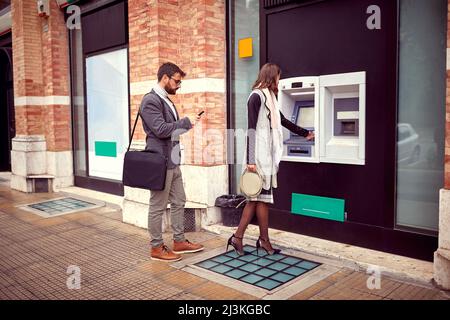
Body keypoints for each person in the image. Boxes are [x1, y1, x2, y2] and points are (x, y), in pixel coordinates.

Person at [227, 63, 314, 256]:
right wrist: (250, 160)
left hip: (266, 155)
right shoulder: (256, 97)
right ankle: (248, 238)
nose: (279, 81)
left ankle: (251, 239)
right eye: (278, 77)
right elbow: (251, 129)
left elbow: (282, 120)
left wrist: (305, 133)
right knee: (256, 199)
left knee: (261, 200)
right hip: (257, 156)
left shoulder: (271, 98)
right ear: (271, 77)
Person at [140, 62, 204, 262]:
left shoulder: (166, 100)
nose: (178, 85)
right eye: (177, 81)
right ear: (165, 78)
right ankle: (156, 247)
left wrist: (188, 124)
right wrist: (185, 121)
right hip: (160, 162)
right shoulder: (150, 100)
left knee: (179, 200)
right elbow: (160, 129)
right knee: (158, 205)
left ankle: (179, 241)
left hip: (173, 160)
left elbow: (171, 129)